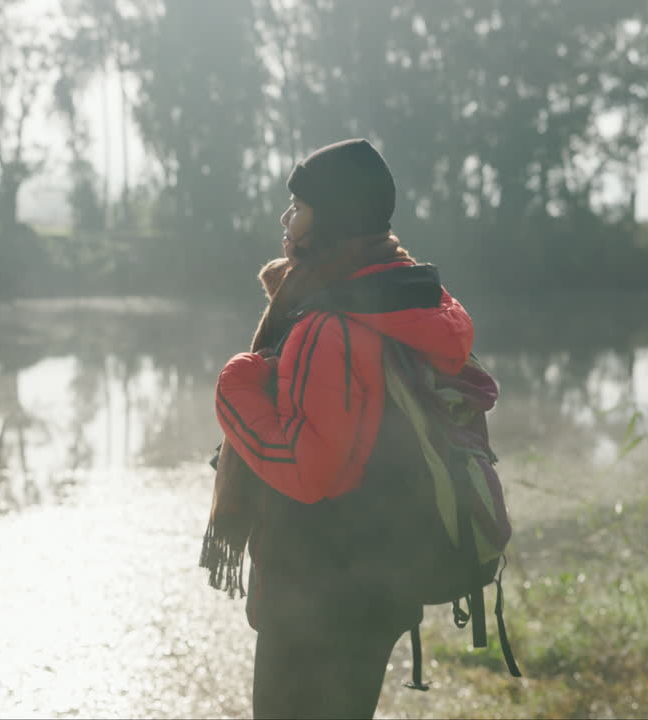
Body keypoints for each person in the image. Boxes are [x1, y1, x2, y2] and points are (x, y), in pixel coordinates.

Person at [201, 138, 476, 719]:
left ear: (334, 217)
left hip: (319, 589)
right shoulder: (402, 296)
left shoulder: (330, 324)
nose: (286, 218)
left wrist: (237, 387)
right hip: (378, 576)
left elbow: (310, 469)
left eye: (299, 206)